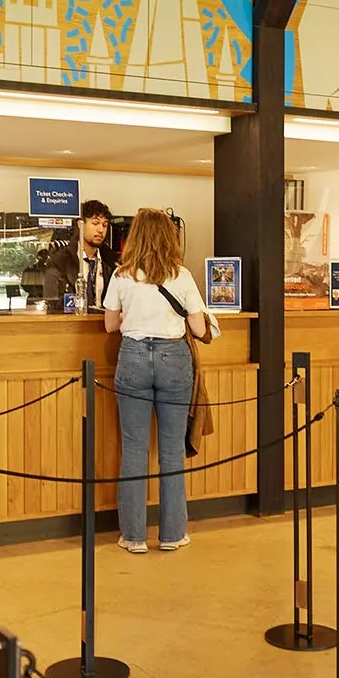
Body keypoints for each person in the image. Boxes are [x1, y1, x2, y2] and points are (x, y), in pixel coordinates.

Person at [103, 208, 212, 553]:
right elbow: (197, 328)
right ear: (169, 237)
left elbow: (109, 325)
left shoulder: (121, 275)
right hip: (173, 359)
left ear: (134, 238)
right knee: (170, 452)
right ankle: (172, 534)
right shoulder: (180, 275)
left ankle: (133, 536)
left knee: (133, 450)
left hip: (133, 357)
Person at [44, 200, 115, 313]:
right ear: (80, 224)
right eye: (95, 223)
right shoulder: (60, 262)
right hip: (70, 326)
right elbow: (52, 306)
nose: (101, 230)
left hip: (102, 326)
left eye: (105, 225)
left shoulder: (111, 263)